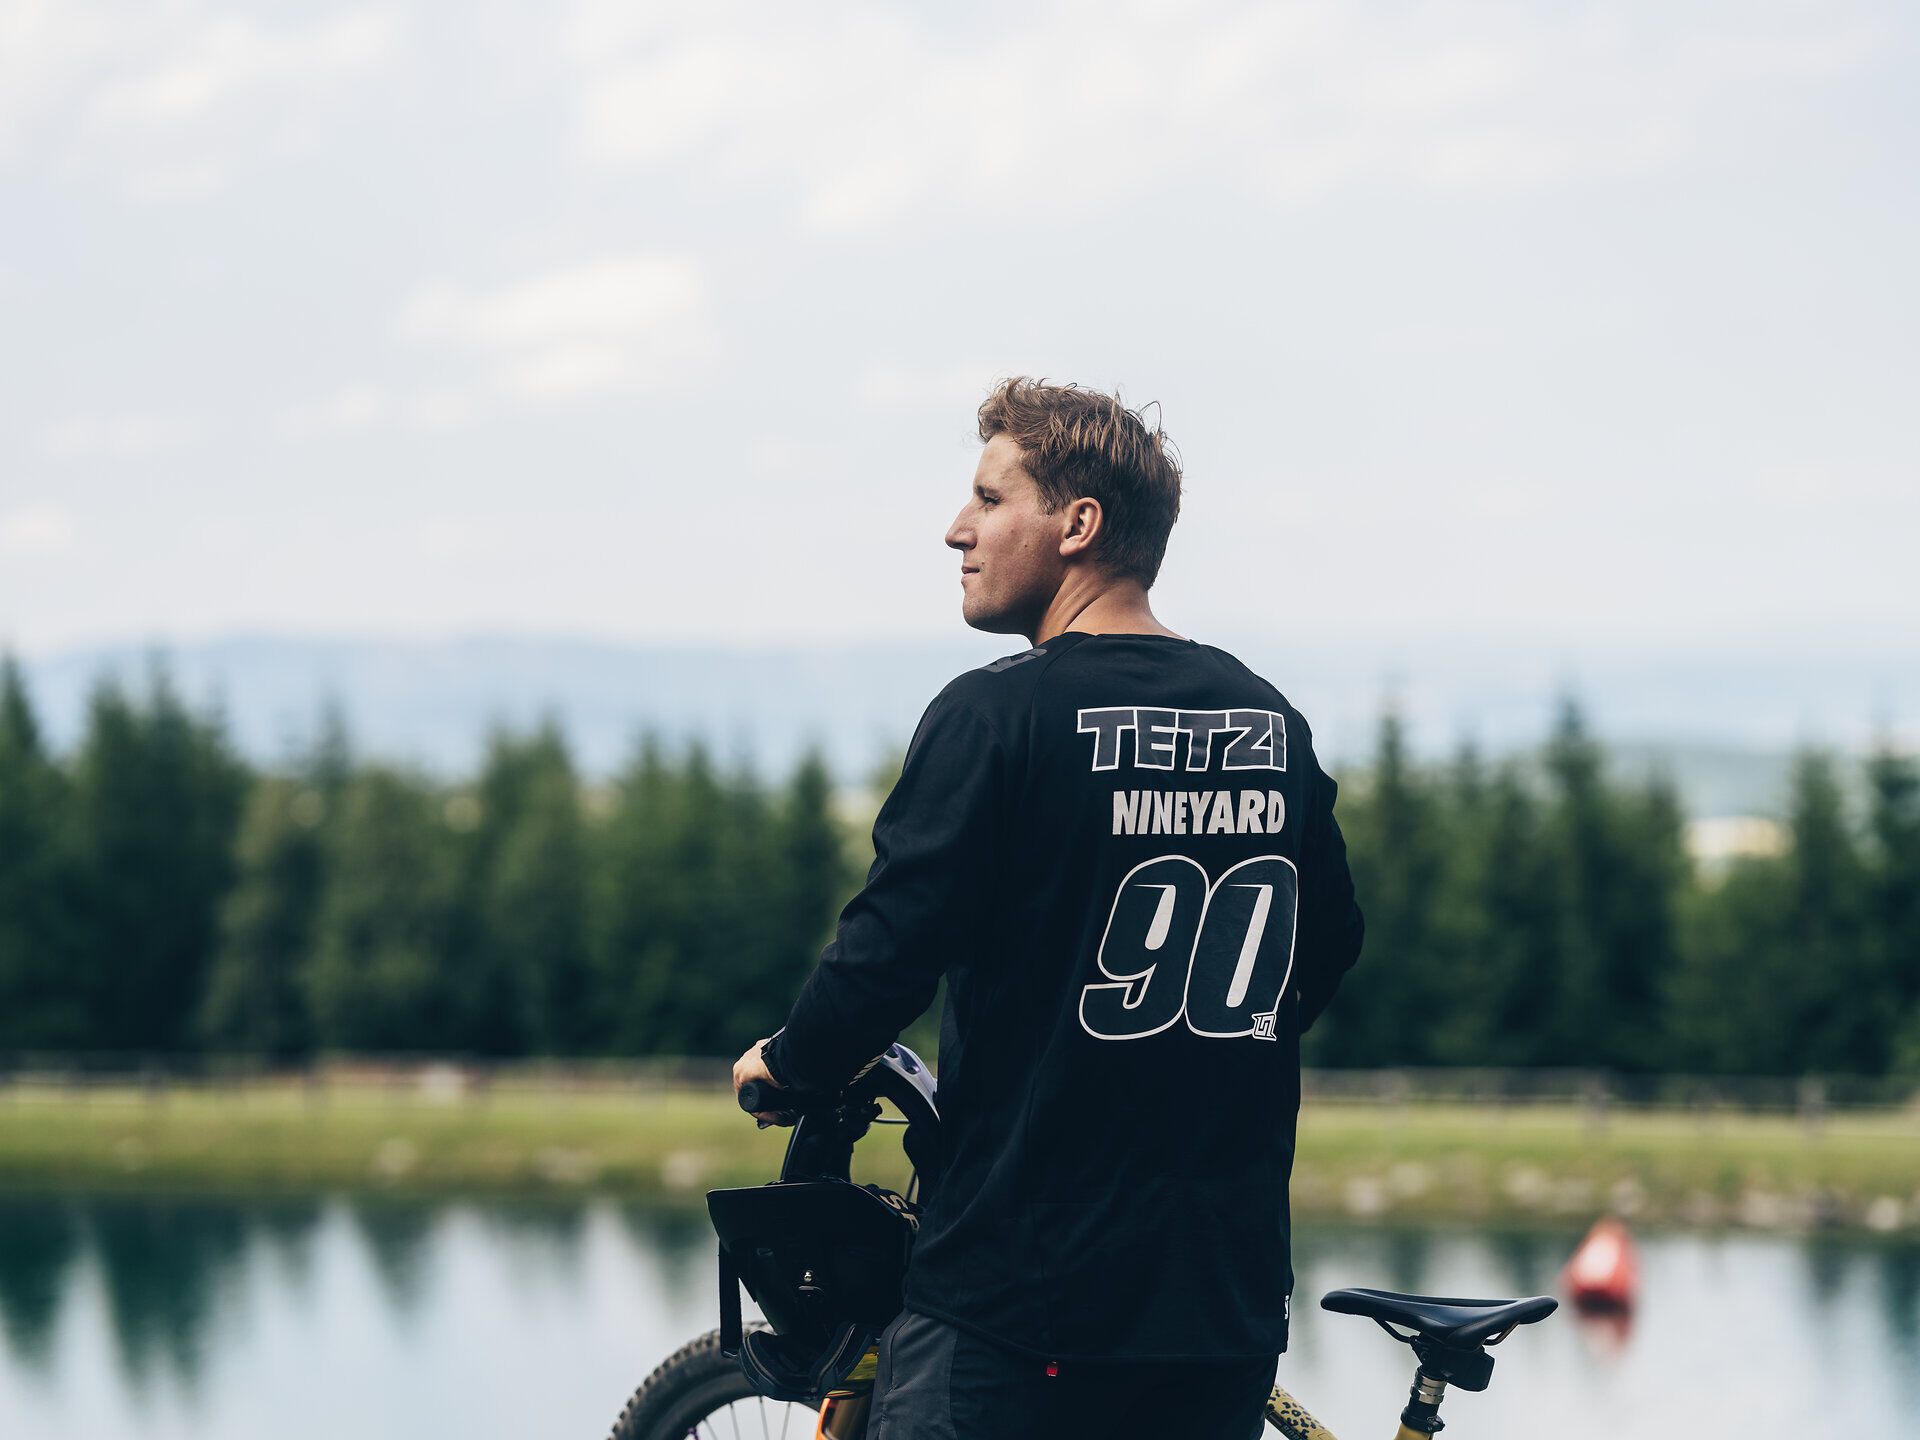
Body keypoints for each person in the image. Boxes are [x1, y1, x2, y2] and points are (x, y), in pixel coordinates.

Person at [732, 378, 1364, 1439]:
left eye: (989, 497)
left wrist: (790, 1064)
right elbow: (1328, 943)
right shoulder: (1266, 718)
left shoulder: (997, 716)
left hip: (1016, 1307)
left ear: (1077, 525)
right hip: (1217, 1311)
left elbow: (887, 951)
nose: (956, 530)